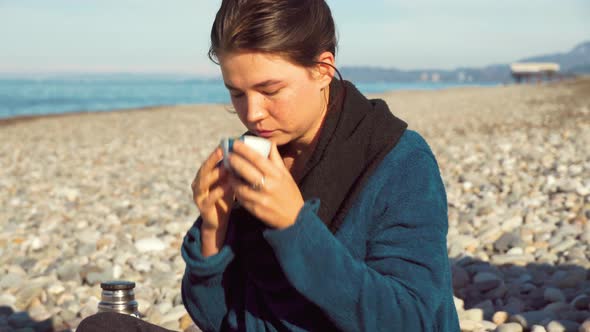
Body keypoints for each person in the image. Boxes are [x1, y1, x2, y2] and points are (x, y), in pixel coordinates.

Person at [79, 0, 460, 331]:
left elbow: (413, 320)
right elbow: (218, 320)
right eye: (236, 93)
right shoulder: (257, 156)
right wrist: (214, 227)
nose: (253, 114)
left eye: (270, 90)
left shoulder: (399, 160)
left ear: (323, 69)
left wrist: (295, 227)